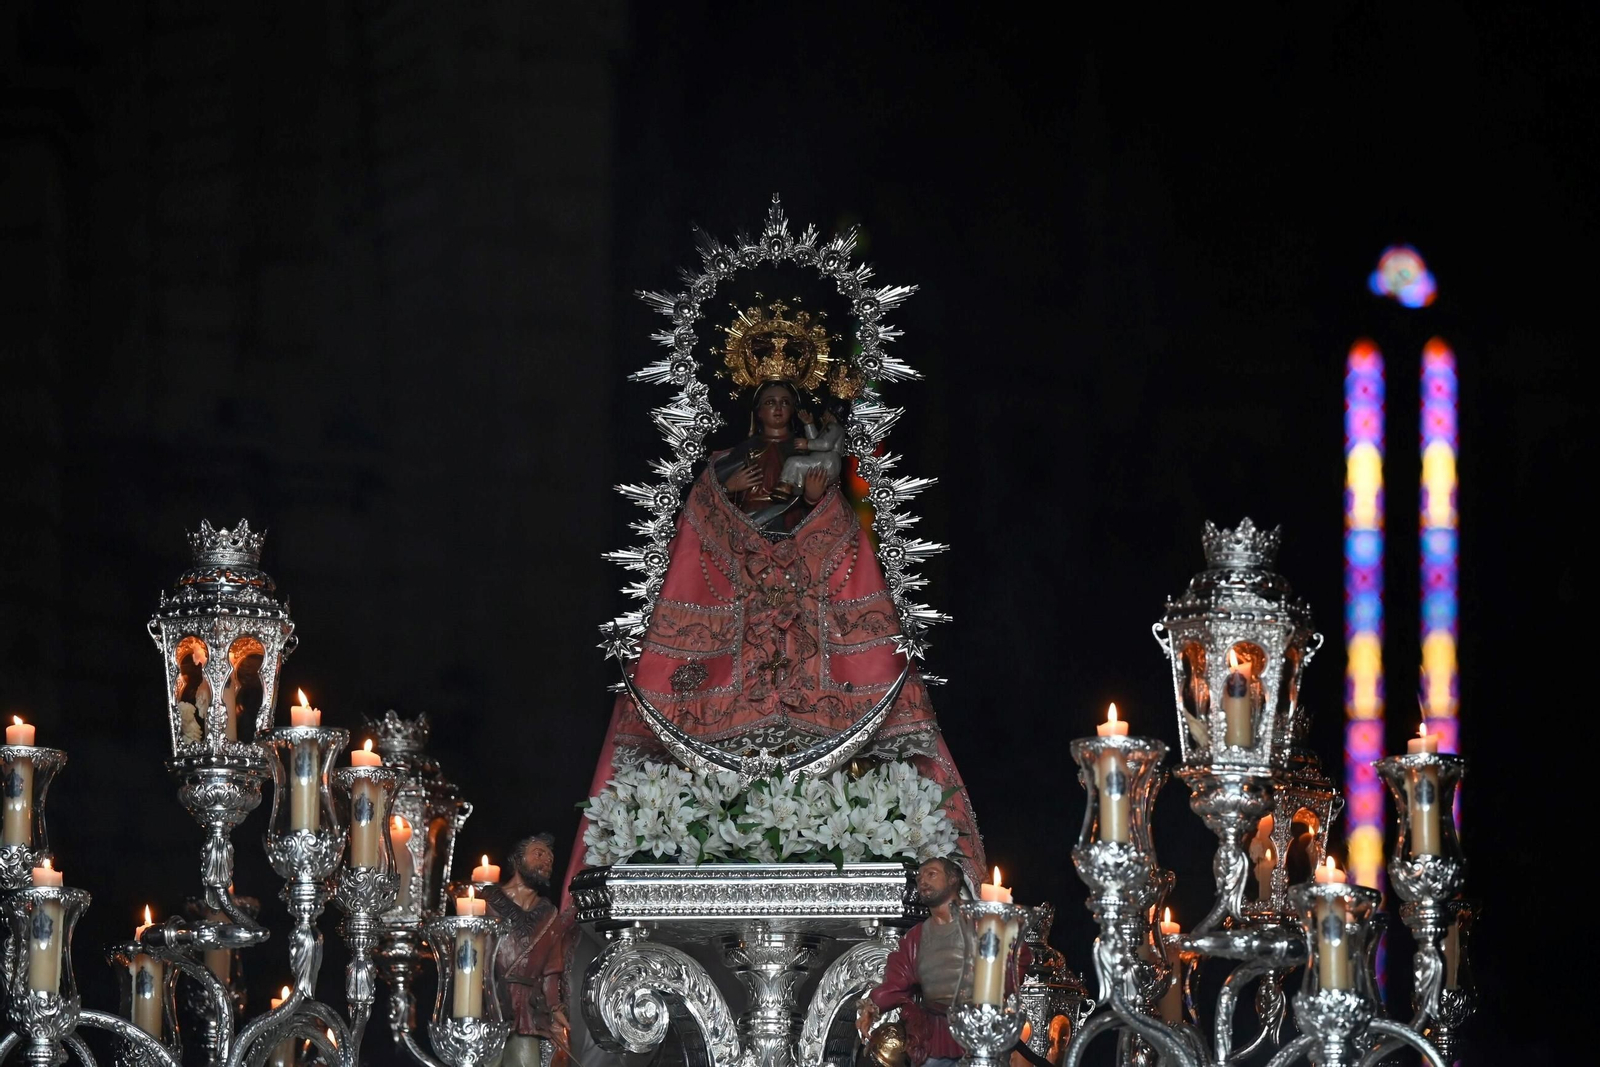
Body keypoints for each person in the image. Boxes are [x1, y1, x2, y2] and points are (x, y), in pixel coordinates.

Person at [568, 300, 986, 893]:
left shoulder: (817, 463)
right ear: (752, 406)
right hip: (734, 618)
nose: (777, 409)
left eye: (786, 402)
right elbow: (701, 528)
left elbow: (840, 536)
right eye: (768, 401)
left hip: (807, 619)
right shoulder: (722, 464)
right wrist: (718, 491)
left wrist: (821, 503)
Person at [858, 857, 1026, 1067]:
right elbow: (895, 982)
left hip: (979, 1029)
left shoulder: (981, 925)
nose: (923, 881)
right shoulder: (915, 938)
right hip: (935, 1034)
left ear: (953, 879)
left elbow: (1018, 956)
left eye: (931, 874)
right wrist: (870, 1010)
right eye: (919, 877)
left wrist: (995, 992)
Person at [484, 834, 574, 1067]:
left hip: (528, 1012)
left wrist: (555, 1008)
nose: (546, 862)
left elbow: (551, 970)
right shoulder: (485, 903)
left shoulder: (549, 915)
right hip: (488, 1005)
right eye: (539, 854)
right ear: (516, 859)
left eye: (551, 859)